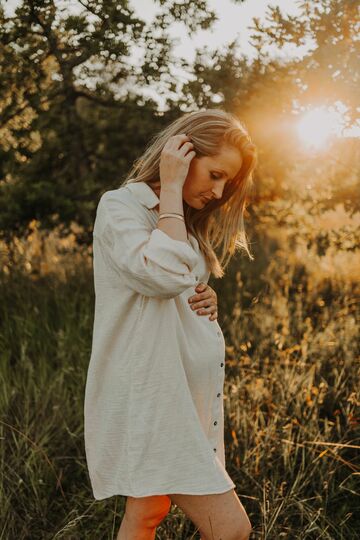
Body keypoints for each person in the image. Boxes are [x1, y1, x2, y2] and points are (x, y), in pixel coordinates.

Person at [83, 109, 258, 540]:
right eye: (216, 174)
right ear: (182, 153)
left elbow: (171, 286)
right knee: (232, 529)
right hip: (154, 400)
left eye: (227, 184)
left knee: (146, 514)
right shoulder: (121, 207)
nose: (218, 193)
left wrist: (203, 295)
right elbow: (159, 275)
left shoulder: (181, 224)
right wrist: (173, 186)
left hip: (182, 396)